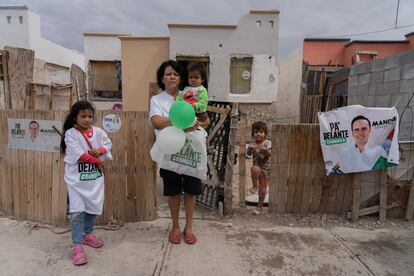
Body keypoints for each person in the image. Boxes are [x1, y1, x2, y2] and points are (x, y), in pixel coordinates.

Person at [149, 60, 208, 245]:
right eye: (168, 74)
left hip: (190, 152)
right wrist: (180, 120)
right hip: (169, 153)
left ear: (180, 78)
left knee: (191, 191)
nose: (172, 77)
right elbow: (157, 122)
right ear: (162, 78)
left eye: (175, 74)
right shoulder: (157, 100)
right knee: (173, 192)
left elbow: (205, 120)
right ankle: (175, 226)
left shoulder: (189, 95)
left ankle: (188, 227)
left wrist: (198, 123)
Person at [60, 101, 112, 266]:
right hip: (76, 182)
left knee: (92, 208)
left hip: (94, 181)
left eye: (90, 116)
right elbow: (79, 154)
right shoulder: (70, 134)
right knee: (76, 212)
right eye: (83, 116)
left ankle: (88, 234)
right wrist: (97, 162)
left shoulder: (98, 132)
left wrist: (102, 150)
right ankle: (77, 246)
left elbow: (107, 144)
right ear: (75, 117)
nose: (87, 119)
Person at [247, 121, 271, 215]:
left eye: (261, 132)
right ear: (253, 134)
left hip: (265, 170)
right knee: (254, 168)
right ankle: (254, 186)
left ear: (265, 134)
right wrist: (250, 149)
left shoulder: (267, 143)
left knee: (263, 189)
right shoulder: (252, 144)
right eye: (256, 132)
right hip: (257, 169)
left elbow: (270, 154)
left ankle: (259, 207)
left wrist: (266, 151)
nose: (258, 134)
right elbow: (248, 154)